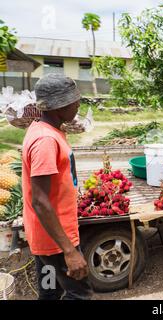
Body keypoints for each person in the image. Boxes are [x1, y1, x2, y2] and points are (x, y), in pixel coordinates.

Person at [22, 73, 92, 300]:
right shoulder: (45, 141)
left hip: (45, 238)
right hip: (57, 242)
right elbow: (40, 201)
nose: (78, 104)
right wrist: (69, 251)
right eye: (74, 101)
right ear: (58, 106)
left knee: (50, 291)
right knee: (79, 294)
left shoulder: (44, 129)